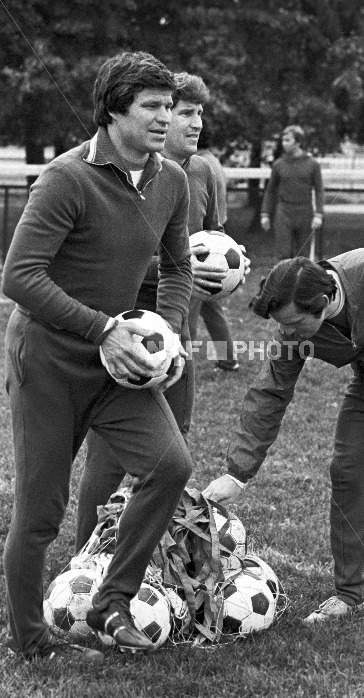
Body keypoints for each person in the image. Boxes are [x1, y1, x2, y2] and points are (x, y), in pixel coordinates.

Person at [2, 51, 193, 663]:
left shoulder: (173, 180)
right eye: (152, 106)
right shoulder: (66, 177)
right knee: (41, 510)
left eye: (169, 106)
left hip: (121, 363)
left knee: (169, 464)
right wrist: (103, 327)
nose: (165, 117)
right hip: (49, 361)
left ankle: (112, 602)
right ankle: (32, 640)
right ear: (114, 111)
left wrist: (170, 333)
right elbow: (20, 276)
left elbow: (179, 266)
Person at [203, 246, 364, 624]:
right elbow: (270, 393)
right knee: (346, 475)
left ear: (324, 303)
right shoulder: (293, 331)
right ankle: (349, 595)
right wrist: (237, 473)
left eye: (293, 324)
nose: (286, 333)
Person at [75, 72, 236, 553]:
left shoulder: (200, 172)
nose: (192, 122)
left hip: (178, 333)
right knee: (109, 458)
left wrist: (226, 262)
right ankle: (84, 559)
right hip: (131, 332)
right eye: (184, 112)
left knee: (174, 450)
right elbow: (118, 257)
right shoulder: (130, 173)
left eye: (196, 113)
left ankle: (152, 554)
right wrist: (175, 269)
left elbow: (203, 246)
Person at [189, 117, 239, 371]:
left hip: (208, 244)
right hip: (216, 241)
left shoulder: (199, 165)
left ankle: (187, 359)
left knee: (199, 305)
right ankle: (227, 357)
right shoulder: (213, 162)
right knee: (210, 307)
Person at [260, 125, 324, 262]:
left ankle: (302, 283)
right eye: (283, 140)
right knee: (283, 254)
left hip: (305, 212)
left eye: (288, 140)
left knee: (303, 256)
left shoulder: (312, 164)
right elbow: (270, 190)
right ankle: (283, 282)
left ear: (298, 142)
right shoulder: (279, 164)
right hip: (284, 212)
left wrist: (319, 214)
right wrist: (265, 213)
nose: (284, 143)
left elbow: (319, 190)